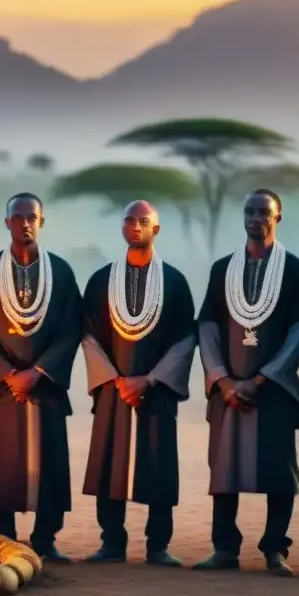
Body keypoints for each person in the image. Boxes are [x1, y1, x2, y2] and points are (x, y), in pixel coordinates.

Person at [195, 190, 299, 577]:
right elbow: (208, 328)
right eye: (249, 210)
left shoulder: (295, 271)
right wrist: (223, 380)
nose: (255, 217)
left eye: (264, 211)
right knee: (223, 471)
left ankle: (275, 549)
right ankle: (224, 549)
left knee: (279, 472)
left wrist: (263, 378)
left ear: (278, 217)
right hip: (228, 391)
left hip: (274, 391)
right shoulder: (222, 269)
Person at [0, 192, 82, 562]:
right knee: (1, 468)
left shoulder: (61, 272)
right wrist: (5, 375)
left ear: (42, 221)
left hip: (43, 388)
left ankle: (45, 541)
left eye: (32, 217)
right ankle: (2, 542)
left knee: (49, 464)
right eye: (18, 217)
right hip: (1, 390)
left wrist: (39, 372)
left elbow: (71, 328)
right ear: (7, 223)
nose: (25, 223)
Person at [80, 200, 196, 566]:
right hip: (113, 390)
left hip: (156, 391)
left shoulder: (175, 282)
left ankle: (158, 546)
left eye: (143, 221)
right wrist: (115, 379)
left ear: (155, 229)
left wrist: (150, 379)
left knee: (158, 464)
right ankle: (111, 543)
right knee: (108, 464)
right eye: (129, 220)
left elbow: (185, 339)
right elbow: (88, 335)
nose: (135, 226)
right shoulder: (101, 281)